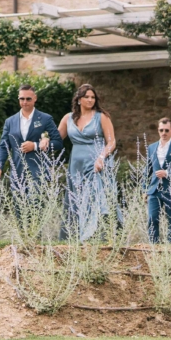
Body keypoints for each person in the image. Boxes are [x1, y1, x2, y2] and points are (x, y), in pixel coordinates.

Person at [58, 84, 116, 240]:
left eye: (93, 97)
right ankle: (75, 236)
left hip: (95, 163)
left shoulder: (101, 116)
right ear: (78, 100)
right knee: (76, 197)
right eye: (87, 97)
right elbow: (56, 140)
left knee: (94, 197)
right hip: (76, 165)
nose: (90, 100)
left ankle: (95, 236)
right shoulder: (68, 118)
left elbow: (111, 142)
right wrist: (42, 141)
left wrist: (101, 157)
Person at [0, 84, 64, 182]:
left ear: (35, 98)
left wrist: (35, 146)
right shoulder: (10, 121)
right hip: (17, 175)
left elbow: (58, 143)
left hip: (39, 173)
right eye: (22, 99)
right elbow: (3, 146)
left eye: (28, 99)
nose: (25, 102)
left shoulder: (45, 119)